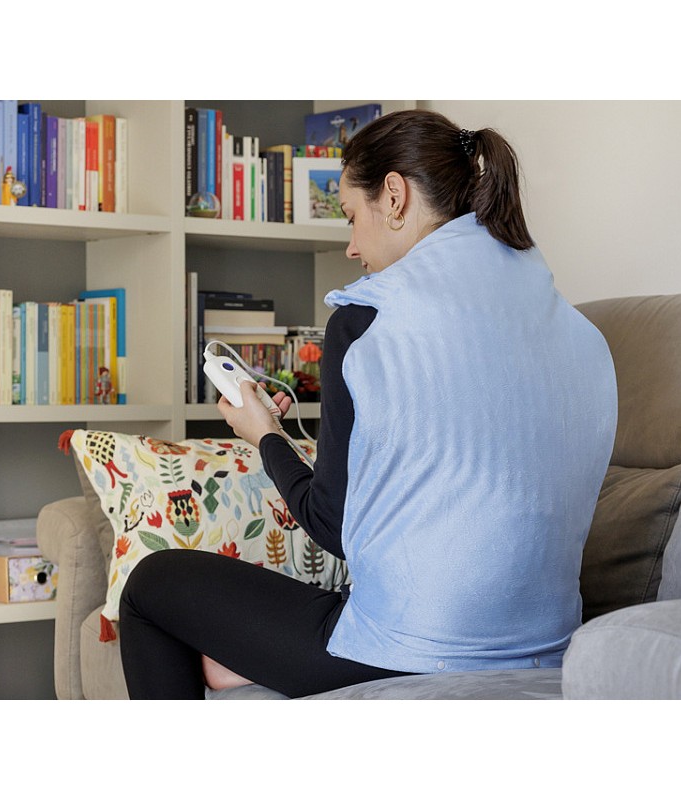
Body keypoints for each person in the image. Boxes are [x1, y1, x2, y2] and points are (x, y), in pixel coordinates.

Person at [119, 109, 617, 699]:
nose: (352, 248)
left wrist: (264, 436)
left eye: (352, 217)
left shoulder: (369, 322)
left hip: (412, 652)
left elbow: (333, 525)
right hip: (550, 647)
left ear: (395, 195)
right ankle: (247, 663)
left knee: (152, 585)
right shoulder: (581, 333)